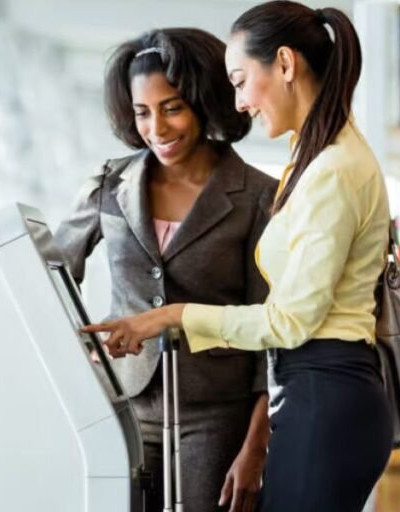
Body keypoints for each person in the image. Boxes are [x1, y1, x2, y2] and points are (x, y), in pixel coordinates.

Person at [83, 3, 393, 510]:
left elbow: (291, 320)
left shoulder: (333, 169)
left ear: (286, 66)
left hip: (325, 393)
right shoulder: (317, 159)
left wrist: (174, 315)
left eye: (241, 80)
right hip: (314, 390)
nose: (240, 102)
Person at [56, 28, 278, 512]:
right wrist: (81, 343)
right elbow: (52, 273)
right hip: (124, 406)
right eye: (142, 112)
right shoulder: (109, 184)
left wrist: (256, 447)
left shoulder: (259, 195)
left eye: (172, 107)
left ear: (203, 102)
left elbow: (271, 333)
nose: (156, 128)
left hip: (218, 415)